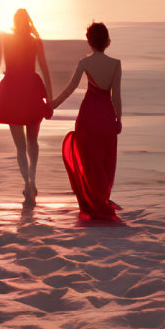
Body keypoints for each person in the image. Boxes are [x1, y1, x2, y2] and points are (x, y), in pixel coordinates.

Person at [51, 22, 124, 226]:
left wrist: (52, 106)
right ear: (107, 41)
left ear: (89, 41)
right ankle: (100, 200)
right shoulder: (116, 64)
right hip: (106, 118)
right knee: (104, 162)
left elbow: (69, 90)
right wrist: (119, 118)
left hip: (88, 118)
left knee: (89, 161)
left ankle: (93, 203)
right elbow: (116, 96)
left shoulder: (85, 63)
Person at [0, 9, 54, 205]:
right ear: (28, 22)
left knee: (20, 147)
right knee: (33, 141)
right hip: (31, 91)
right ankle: (32, 179)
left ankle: (27, 183)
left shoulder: (4, 39)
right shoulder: (35, 41)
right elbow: (45, 70)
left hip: (11, 92)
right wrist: (50, 98)